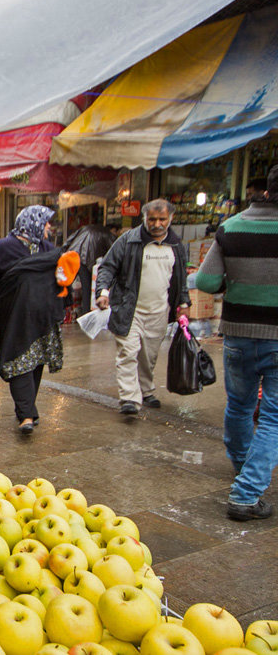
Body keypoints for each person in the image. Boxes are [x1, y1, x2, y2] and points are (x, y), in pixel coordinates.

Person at [196, 164, 278, 521]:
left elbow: (207, 281)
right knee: (274, 417)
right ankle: (245, 494)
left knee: (240, 407)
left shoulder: (231, 226)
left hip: (238, 336)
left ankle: (245, 469)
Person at [95, 199, 190, 415]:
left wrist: (183, 302)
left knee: (148, 356)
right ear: (144, 219)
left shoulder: (176, 245)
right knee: (128, 352)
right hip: (129, 309)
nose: (157, 224)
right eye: (152, 219)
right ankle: (129, 397)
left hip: (159, 311)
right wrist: (102, 292)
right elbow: (107, 267)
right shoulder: (129, 240)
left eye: (162, 219)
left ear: (170, 219)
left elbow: (181, 278)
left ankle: (146, 390)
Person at [0, 205, 64, 435]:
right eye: (45, 223)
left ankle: (26, 409)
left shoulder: (46, 247)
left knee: (36, 362)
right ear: (32, 223)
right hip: (13, 318)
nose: (48, 227)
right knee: (18, 362)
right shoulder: (4, 248)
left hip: (41, 319)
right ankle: (26, 415)